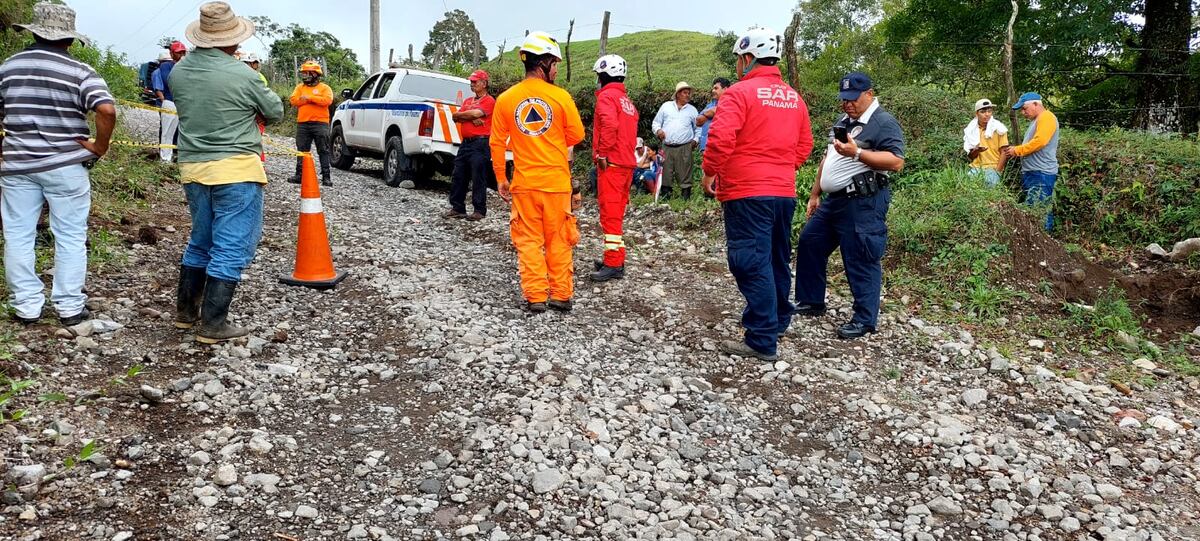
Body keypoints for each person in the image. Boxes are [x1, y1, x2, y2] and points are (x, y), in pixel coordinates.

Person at [170, 1, 284, 344]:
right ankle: (213, 324)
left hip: (192, 166)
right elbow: (275, 111)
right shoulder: (244, 74)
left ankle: (186, 314)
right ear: (233, 40)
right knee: (232, 244)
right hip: (235, 167)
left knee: (200, 239)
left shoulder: (178, 72)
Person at [0, 2, 116, 326]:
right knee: (70, 235)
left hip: (18, 164)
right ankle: (68, 307)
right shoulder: (80, 72)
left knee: (18, 234)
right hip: (66, 165)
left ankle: (26, 307)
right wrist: (99, 146)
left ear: (34, 32)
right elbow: (106, 110)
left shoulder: (8, 67)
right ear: (69, 39)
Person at [701, 28, 813, 361]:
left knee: (750, 260)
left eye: (738, 59)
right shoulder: (794, 97)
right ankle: (777, 319)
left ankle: (762, 337)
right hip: (782, 192)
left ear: (747, 58)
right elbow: (805, 145)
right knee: (776, 258)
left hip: (747, 191)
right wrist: (779, 167)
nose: (738, 65)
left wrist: (710, 172)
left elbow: (720, 140)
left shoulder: (738, 93)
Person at [794, 72, 905, 340]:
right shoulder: (844, 121)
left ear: (869, 93)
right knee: (811, 242)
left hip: (864, 200)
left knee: (860, 255)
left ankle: (865, 319)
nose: (848, 104)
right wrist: (814, 193)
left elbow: (896, 161)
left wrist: (857, 153)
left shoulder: (883, 122)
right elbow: (828, 157)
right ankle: (811, 301)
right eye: (844, 100)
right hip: (835, 201)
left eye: (853, 99)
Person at [489, 31, 585, 313]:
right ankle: (561, 295)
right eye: (554, 63)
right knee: (559, 239)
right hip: (556, 184)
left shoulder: (506, 99)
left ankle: (535, 297)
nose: (556, 68)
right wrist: (551, 137)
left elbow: (496, 142)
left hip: (524, 184)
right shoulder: (561, 97)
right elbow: (576, 135)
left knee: (529, 241)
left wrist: (501, 179)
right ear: (543, 63)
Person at [589, 54, 639, 282]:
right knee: (616, 214)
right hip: (626, 164)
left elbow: (609, 124)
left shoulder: (607, 98)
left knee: (610, 215)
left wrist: (602, 154)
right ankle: (616, 256)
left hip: (613, 164)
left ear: (603, 75)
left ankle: (613, 263)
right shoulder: (627, 102)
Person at [1003, 92, 1060, 231]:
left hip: (1041, 173)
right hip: (1034, 172)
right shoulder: (1038, 119)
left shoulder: (1046, 117)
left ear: (1036, 104)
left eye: (1024, 108)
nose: (1023, 112)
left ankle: (1043, 243)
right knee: (1034, 208)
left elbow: (1040, 142)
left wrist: (1017, 151)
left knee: (1038, 210)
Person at [445, 70, 495, 221]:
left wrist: (466, 116)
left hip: (480, 143)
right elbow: (455, 116)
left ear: (484, 83)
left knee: (478, 176)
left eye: (475, 82)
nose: (472, 84)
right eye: (471, 82)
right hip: (466, 143)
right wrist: (469, 116)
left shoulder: (489, 101)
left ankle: (479, 210)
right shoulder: (467, 101)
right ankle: (457, 207)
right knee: (458, 174)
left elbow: (473, 114)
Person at [288, 60, 334, 187]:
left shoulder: (325, 88)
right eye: (303, 73)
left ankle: (326, 177)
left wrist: (309, 98)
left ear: (315, 74)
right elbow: (293, 101)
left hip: (321, 124)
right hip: (303, 124)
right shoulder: (299, 88)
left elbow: (327, 101)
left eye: (307, 73)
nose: (304, 76)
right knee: (302, 150)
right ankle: (299, 175)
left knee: (323, 150)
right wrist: (308, 100)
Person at [652, 81, 700, 198]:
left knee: (685, 171)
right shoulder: (666, 106)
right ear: (678, 94)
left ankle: (685, 198)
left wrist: (696, 140)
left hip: (685, 146)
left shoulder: (692, 110)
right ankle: (665, 196)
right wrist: (658, 131)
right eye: (685, 93)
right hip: (667, 146)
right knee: (666, 171)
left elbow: (698, 128)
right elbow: (656, 122)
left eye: (689, 93)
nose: (688, 95)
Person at [153, 40, 187, 162]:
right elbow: (170, 81)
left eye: (183, 52)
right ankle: (165, 158)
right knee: (166, 132)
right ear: (172, 54)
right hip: (170, 101)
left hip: (182, 103)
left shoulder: (188, 66)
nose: (181, 55)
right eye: (179, 52)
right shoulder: (166, 67)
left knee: (179, 131)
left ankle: (176, 156)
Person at [962, 98, 1008, 186]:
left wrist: (997, 171)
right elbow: (971, 156)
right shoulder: (971, 130)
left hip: (992, 169)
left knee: (991, 198)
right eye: (983, 112)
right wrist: (976, 150)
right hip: (975, 168)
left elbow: (1004, 152)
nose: (987, 114)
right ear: (976, 113)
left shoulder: (999, 129)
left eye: (989, 111)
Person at [696, 77, 731, 153]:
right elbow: (698, 121)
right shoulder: (711, 104)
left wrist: (708, 113)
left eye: (716, 88)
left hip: (720, 148)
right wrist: (710, 112)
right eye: (713, 88)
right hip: (705, 147)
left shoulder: (732, 103)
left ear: (725, 89)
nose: (713, 91)